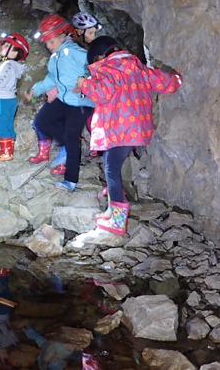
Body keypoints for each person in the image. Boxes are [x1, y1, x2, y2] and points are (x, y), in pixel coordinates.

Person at [76, 36, 182, 235]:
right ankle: (112, 209)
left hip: (119, 130)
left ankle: (117, 221)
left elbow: (101, 94)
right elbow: (164, 82)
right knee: (110, 164)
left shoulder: (109, 70)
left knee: (111, 169)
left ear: (100, 56)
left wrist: (85, 84)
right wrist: (178, 77)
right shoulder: (138, 68)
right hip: (135, 129)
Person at [24, 14, 94, 192]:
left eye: (51, 41)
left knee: (71, 138)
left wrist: (86, 82)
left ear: (63, 36)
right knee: (41, 121)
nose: (48, 46)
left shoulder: (75, 52)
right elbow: (51, 79)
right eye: (46, 43)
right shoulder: (55, 58)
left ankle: (70, 180)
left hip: (80, 102)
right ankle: (71, 145)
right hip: (64, 99)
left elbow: (96, 65)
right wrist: (35, 90)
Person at [0, 33, 29, 162]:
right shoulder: (11, 65)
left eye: (7, 46)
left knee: (0, 124)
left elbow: (1, 82)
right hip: (9, 99)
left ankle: (6, 152)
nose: (3, 47)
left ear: (15, 52)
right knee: (7, 123)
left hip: (2, 100)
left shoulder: (8, 65)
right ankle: (9, 148)